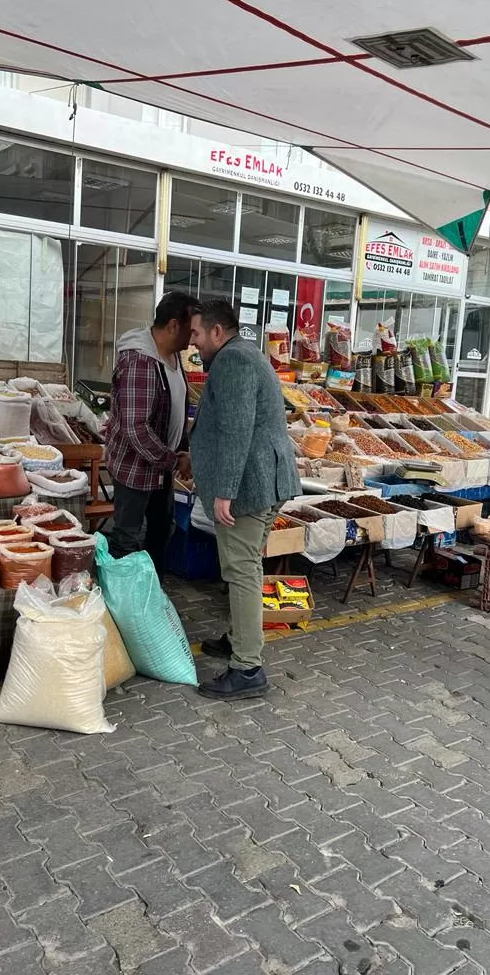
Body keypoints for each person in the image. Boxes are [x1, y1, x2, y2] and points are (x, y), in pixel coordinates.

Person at [188, 299, 301, 699]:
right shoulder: (244, 353)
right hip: (265, 479)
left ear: (217, 332)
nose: (193, 342)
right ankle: (239, 638)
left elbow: (237, 430)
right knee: (246, 562)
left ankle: (247, 668)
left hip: (248, 486)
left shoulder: (233, 361)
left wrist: (225, 492)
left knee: (241, 568)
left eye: (197, 334)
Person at [105, 291, 200, 578]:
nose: (193, 339)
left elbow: (176, 406)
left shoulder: (171, 356)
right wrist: (173, 460)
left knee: (160, 530)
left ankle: (149, 595)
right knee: (127, 539)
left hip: (160, 468)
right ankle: (122, 600)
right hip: (136, 470)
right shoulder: (141, 362)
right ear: (173, 325)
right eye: (190, 330)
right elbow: (136, 428)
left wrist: (180, 450)